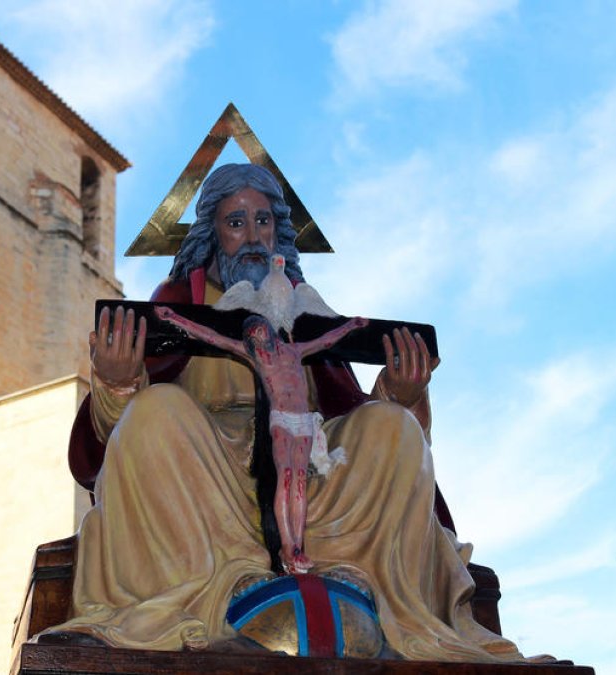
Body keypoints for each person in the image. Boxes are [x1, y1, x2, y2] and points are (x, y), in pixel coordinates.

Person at [48, 163, 526, 662]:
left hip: (309, 462)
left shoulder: (303, 309)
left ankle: (353, 576)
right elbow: (110, 437)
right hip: (207, 473)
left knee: (393, 428)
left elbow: (346, 402)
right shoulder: (177, 306)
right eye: (236, 222)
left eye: (264, 221)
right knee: (154, 413)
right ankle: (224, 587)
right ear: (212, 232)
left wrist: (400, 393)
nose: (253, 236)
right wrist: (120, 381)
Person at [154, 306, 368, 574]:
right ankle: (288, 546)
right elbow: (211, 337)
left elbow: (325, 341)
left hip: (303, 421)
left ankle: (298, 546)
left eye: (258, 331)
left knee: (299, 483)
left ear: (267, 329)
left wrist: (351, 326)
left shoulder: (295, 351)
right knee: (287, 478)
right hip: (281, 421)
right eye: (251, 337)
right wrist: (174, 317)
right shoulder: (257, 357)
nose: (256, 338)